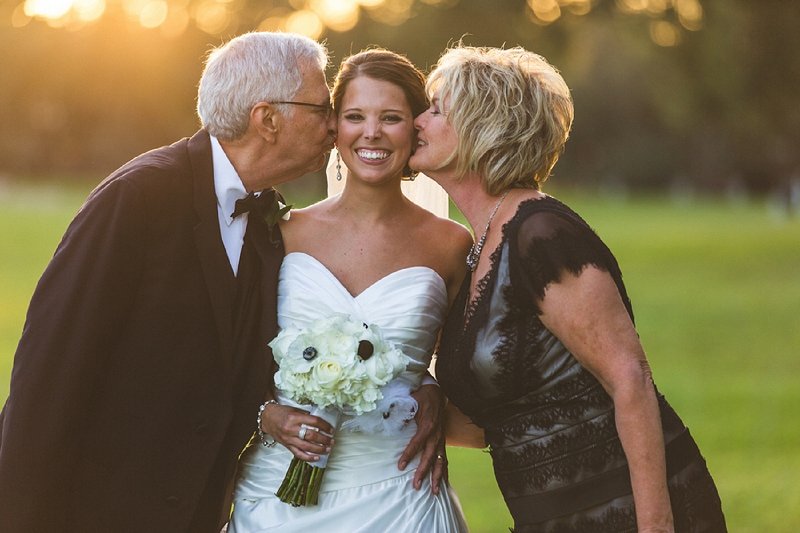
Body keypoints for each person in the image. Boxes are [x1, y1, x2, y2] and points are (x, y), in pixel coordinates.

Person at [0, 32, 443, 533]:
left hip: (197, 511)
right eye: (324, 109)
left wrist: (419, 384)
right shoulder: (139, 198)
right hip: (100, 509)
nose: (333, 127)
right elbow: (49, 373)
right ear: (268, 120)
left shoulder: (268, 222)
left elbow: (262, 354)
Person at [411, 46, 728, 533]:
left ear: (481, 127)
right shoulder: (482, 247)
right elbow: (512, 416)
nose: (418, 121)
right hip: (552, 517)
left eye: (436, 110)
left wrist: (657, 526)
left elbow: (630, 378)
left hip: (625, 510)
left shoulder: (541, 233)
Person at [227, 49, 473, 533]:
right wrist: (266, 414)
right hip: (278, 499)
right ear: (334, 126)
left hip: (401, 493)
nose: (372, 133)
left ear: (416, 127)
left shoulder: (451, 244)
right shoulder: (281, 232)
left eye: (392, 118)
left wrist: (436, 393)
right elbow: (231, 353)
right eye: (355, 116)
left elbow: (471, 363)